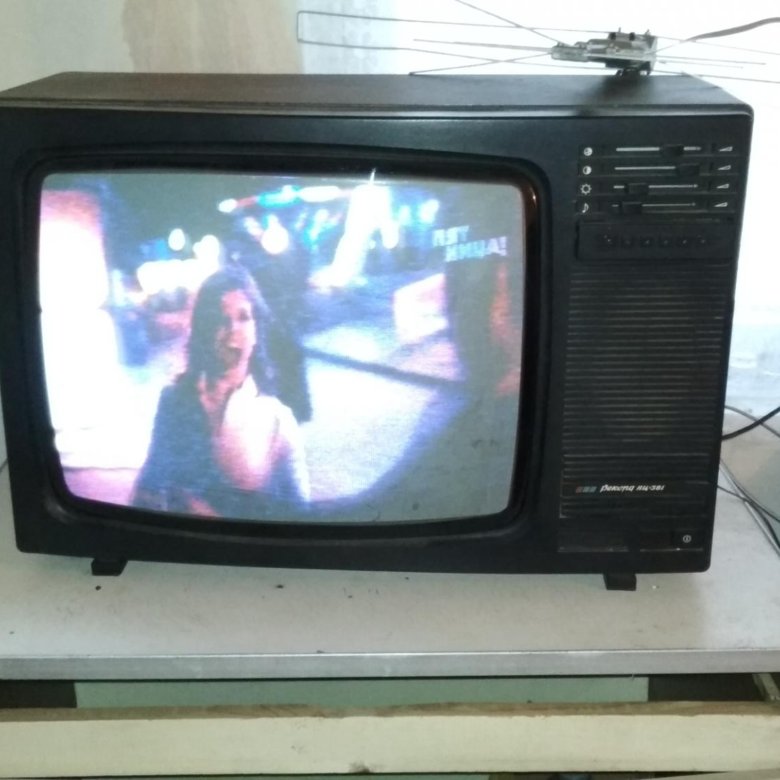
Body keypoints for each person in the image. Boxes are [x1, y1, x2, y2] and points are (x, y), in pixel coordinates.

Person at [132, 266, 310, 520]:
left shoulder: (278, 421)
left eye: (244, 317)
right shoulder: (174, 401)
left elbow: (300, 515)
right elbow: (148, 487)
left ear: (257, 331)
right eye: (220, 319)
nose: (232, 330)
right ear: (203, 329)